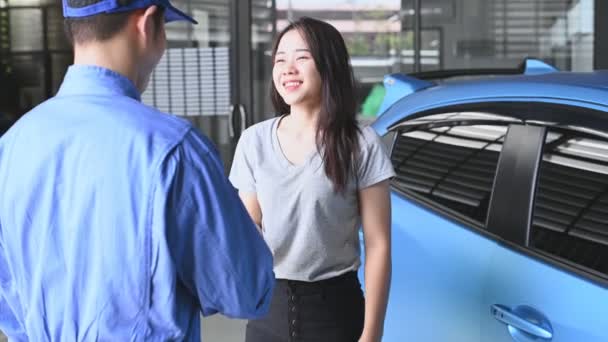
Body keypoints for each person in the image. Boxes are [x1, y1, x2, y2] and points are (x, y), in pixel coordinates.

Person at [0, 0, 274, 340]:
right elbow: (246, 291)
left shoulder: (11, 147)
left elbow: (9, 301)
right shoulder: (174, 150)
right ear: (146, 25)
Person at [230, 17, 395, 342]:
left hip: (336, 310)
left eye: (302, 58)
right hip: (268, 311)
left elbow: (378, 244)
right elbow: (249, 231)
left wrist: (371, 333)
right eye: (280, 59)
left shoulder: (360, 143)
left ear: (329, 66)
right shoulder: (254, 141)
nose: (288, 68)